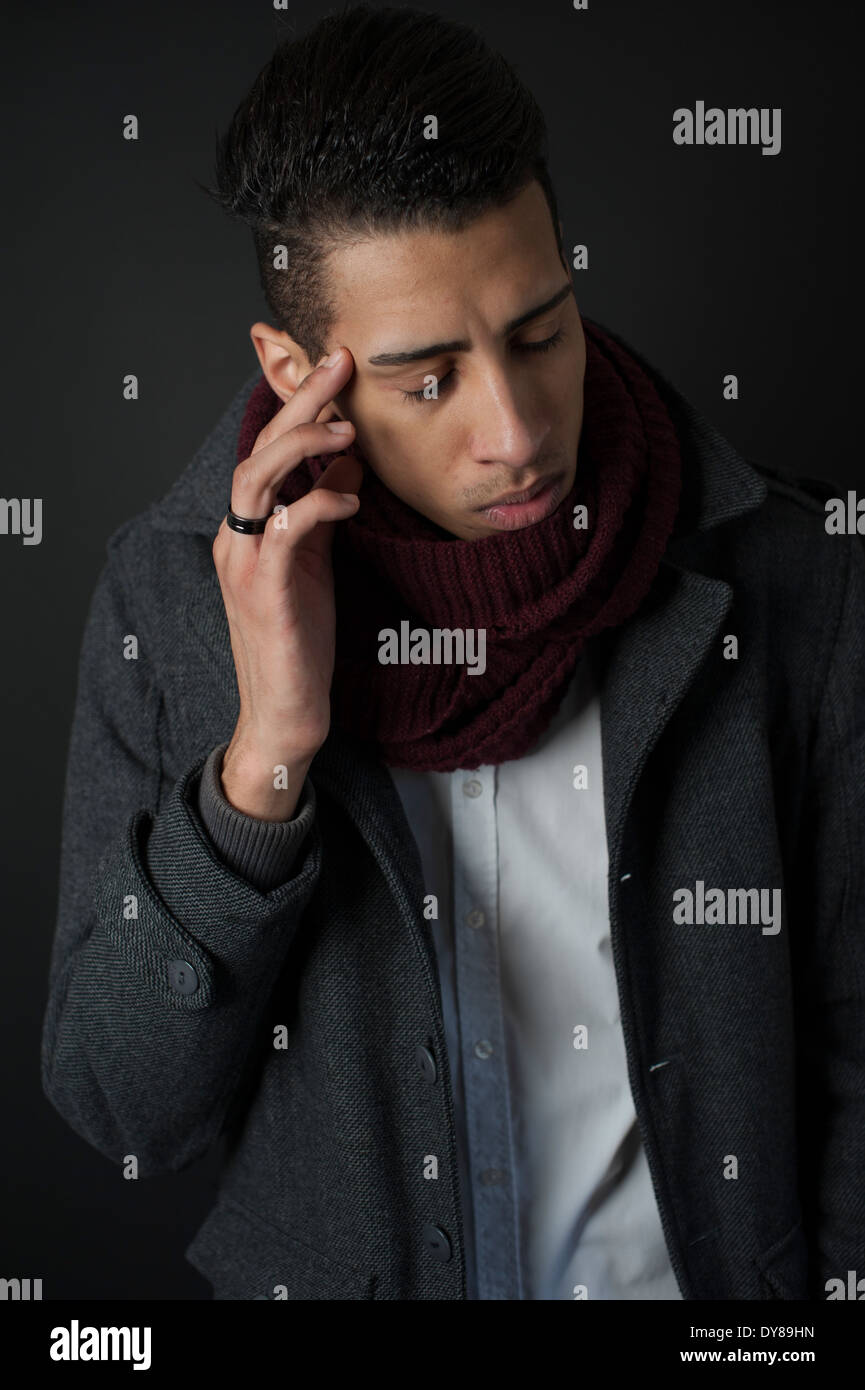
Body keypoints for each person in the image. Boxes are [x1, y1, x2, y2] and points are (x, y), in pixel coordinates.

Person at [41, 4, 865, 1301]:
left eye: (541, 331)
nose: (518, 427)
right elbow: (121, 1108)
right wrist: (264, 760)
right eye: (429, 379)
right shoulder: (171, 600)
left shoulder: (791, 578)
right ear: (296, 367)